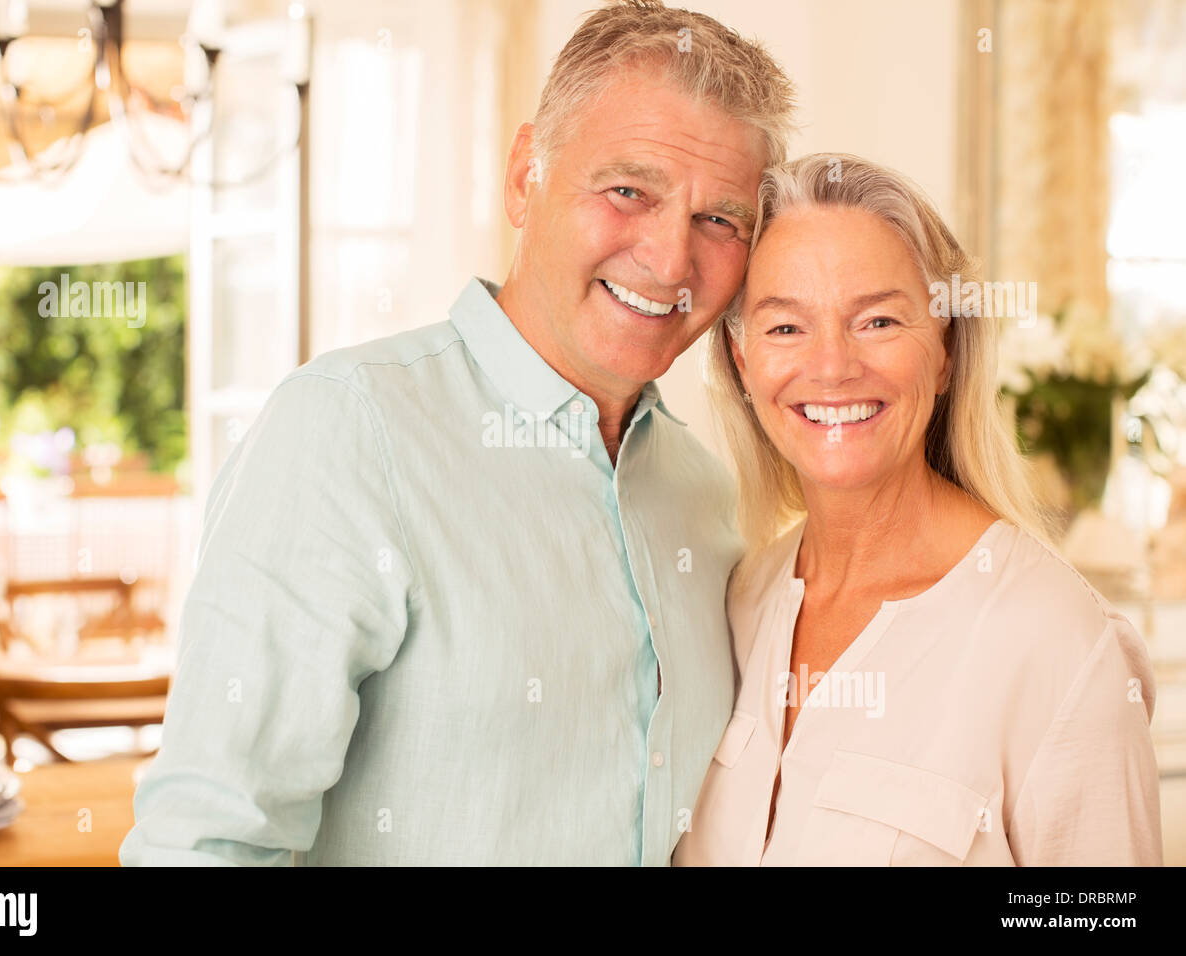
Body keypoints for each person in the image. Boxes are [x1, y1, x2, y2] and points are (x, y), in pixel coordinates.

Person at [120, 1, 794, 866]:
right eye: (628, 190)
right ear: (525, 177)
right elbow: (207, 843)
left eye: (720, 221)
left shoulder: (704, 496)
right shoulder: (348, 431)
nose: (670, 260)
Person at [675, 153, 1162, 866]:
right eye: (785, 328)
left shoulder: (1057, 643)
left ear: (944, 352)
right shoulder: (737, 602)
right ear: (743, 362)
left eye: (877, 321)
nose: (833, 366)